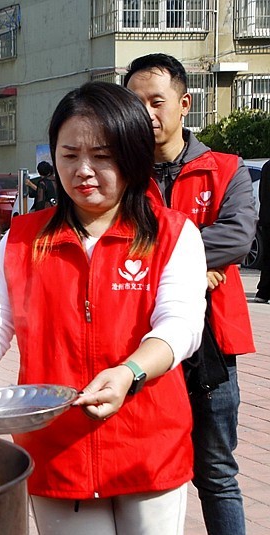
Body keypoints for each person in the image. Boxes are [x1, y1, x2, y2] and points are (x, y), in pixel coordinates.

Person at [0, 82, 207, 534]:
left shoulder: (171, 234)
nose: (84, 171)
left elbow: (180, 325)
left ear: (134, 157)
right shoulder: (22, 238)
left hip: (147, 444)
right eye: (70, 154)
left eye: (102, 155)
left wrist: (129, 373)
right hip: (57, 450)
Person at [125, 53, 256, 535]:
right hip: (141, 343)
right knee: (147, 470)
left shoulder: (225, 169)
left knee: (216, 472)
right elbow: (112, 245)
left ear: (184, 104)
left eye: (156, 102)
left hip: (213, 349)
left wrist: (157, 256)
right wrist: (189, 269)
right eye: (135, 104)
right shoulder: (121, 178)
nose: (146, 114)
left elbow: (238, 238)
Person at [254, 161, 270, 303]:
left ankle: (263, 292)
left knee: (267, 257)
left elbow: (261, 195)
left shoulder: (266, 166)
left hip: (266, 218)